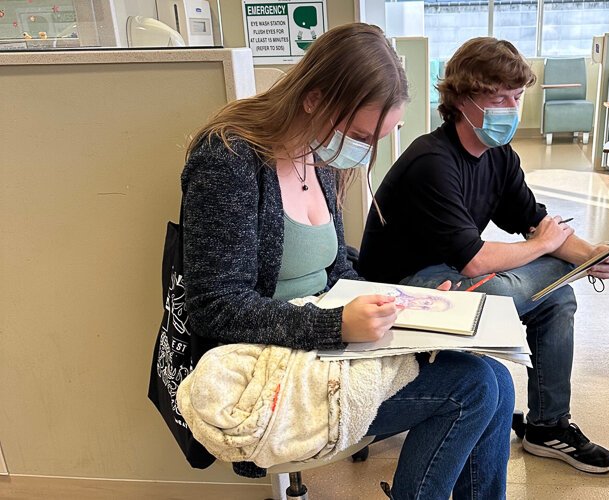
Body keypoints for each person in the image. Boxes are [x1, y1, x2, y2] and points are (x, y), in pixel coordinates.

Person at [181, 24, 514, 499]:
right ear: (315, 98)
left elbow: (338, 272)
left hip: (321, 346)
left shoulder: (320, 157)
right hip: (263, 364)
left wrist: (407, 305)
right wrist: (337, 325)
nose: (361, 149)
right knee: (473, 387)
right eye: (359, 133)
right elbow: (215, 306)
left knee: (496, 377)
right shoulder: (229, 158)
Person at [358, 37, 609, 475]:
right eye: (499, 97)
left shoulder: (499, 156)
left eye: (517, 96)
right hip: (400, 285)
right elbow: (477, 260)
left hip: (450, 272)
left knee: (557, 296)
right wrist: (550, 250)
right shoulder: (432, 160)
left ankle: (547, 426)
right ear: (463, 100)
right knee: (521, 286)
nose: (512, 107)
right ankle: (565, 281)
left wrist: (592, 254)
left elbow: (536, 223)